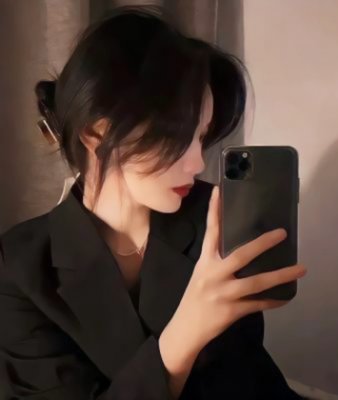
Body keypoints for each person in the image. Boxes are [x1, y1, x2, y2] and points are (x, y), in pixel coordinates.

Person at [0, 6, 307, 400]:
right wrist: (187, 332)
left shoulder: (215, 220)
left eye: (201, 137)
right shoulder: (21, 268)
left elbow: (246, 379)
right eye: (177, 137)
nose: (198, 163)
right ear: (97, 133)